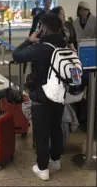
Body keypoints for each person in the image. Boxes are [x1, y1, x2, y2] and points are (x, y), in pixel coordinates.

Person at [12, 14, 66, 181]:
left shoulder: (42, 47)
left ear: (43, 28)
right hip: (59, 93)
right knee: (56, 128)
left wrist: (30, 40)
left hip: (42, 95)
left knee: (42, 132)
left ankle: (43, 168)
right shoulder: (64, 44)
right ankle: (55, 160)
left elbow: (17, 55)